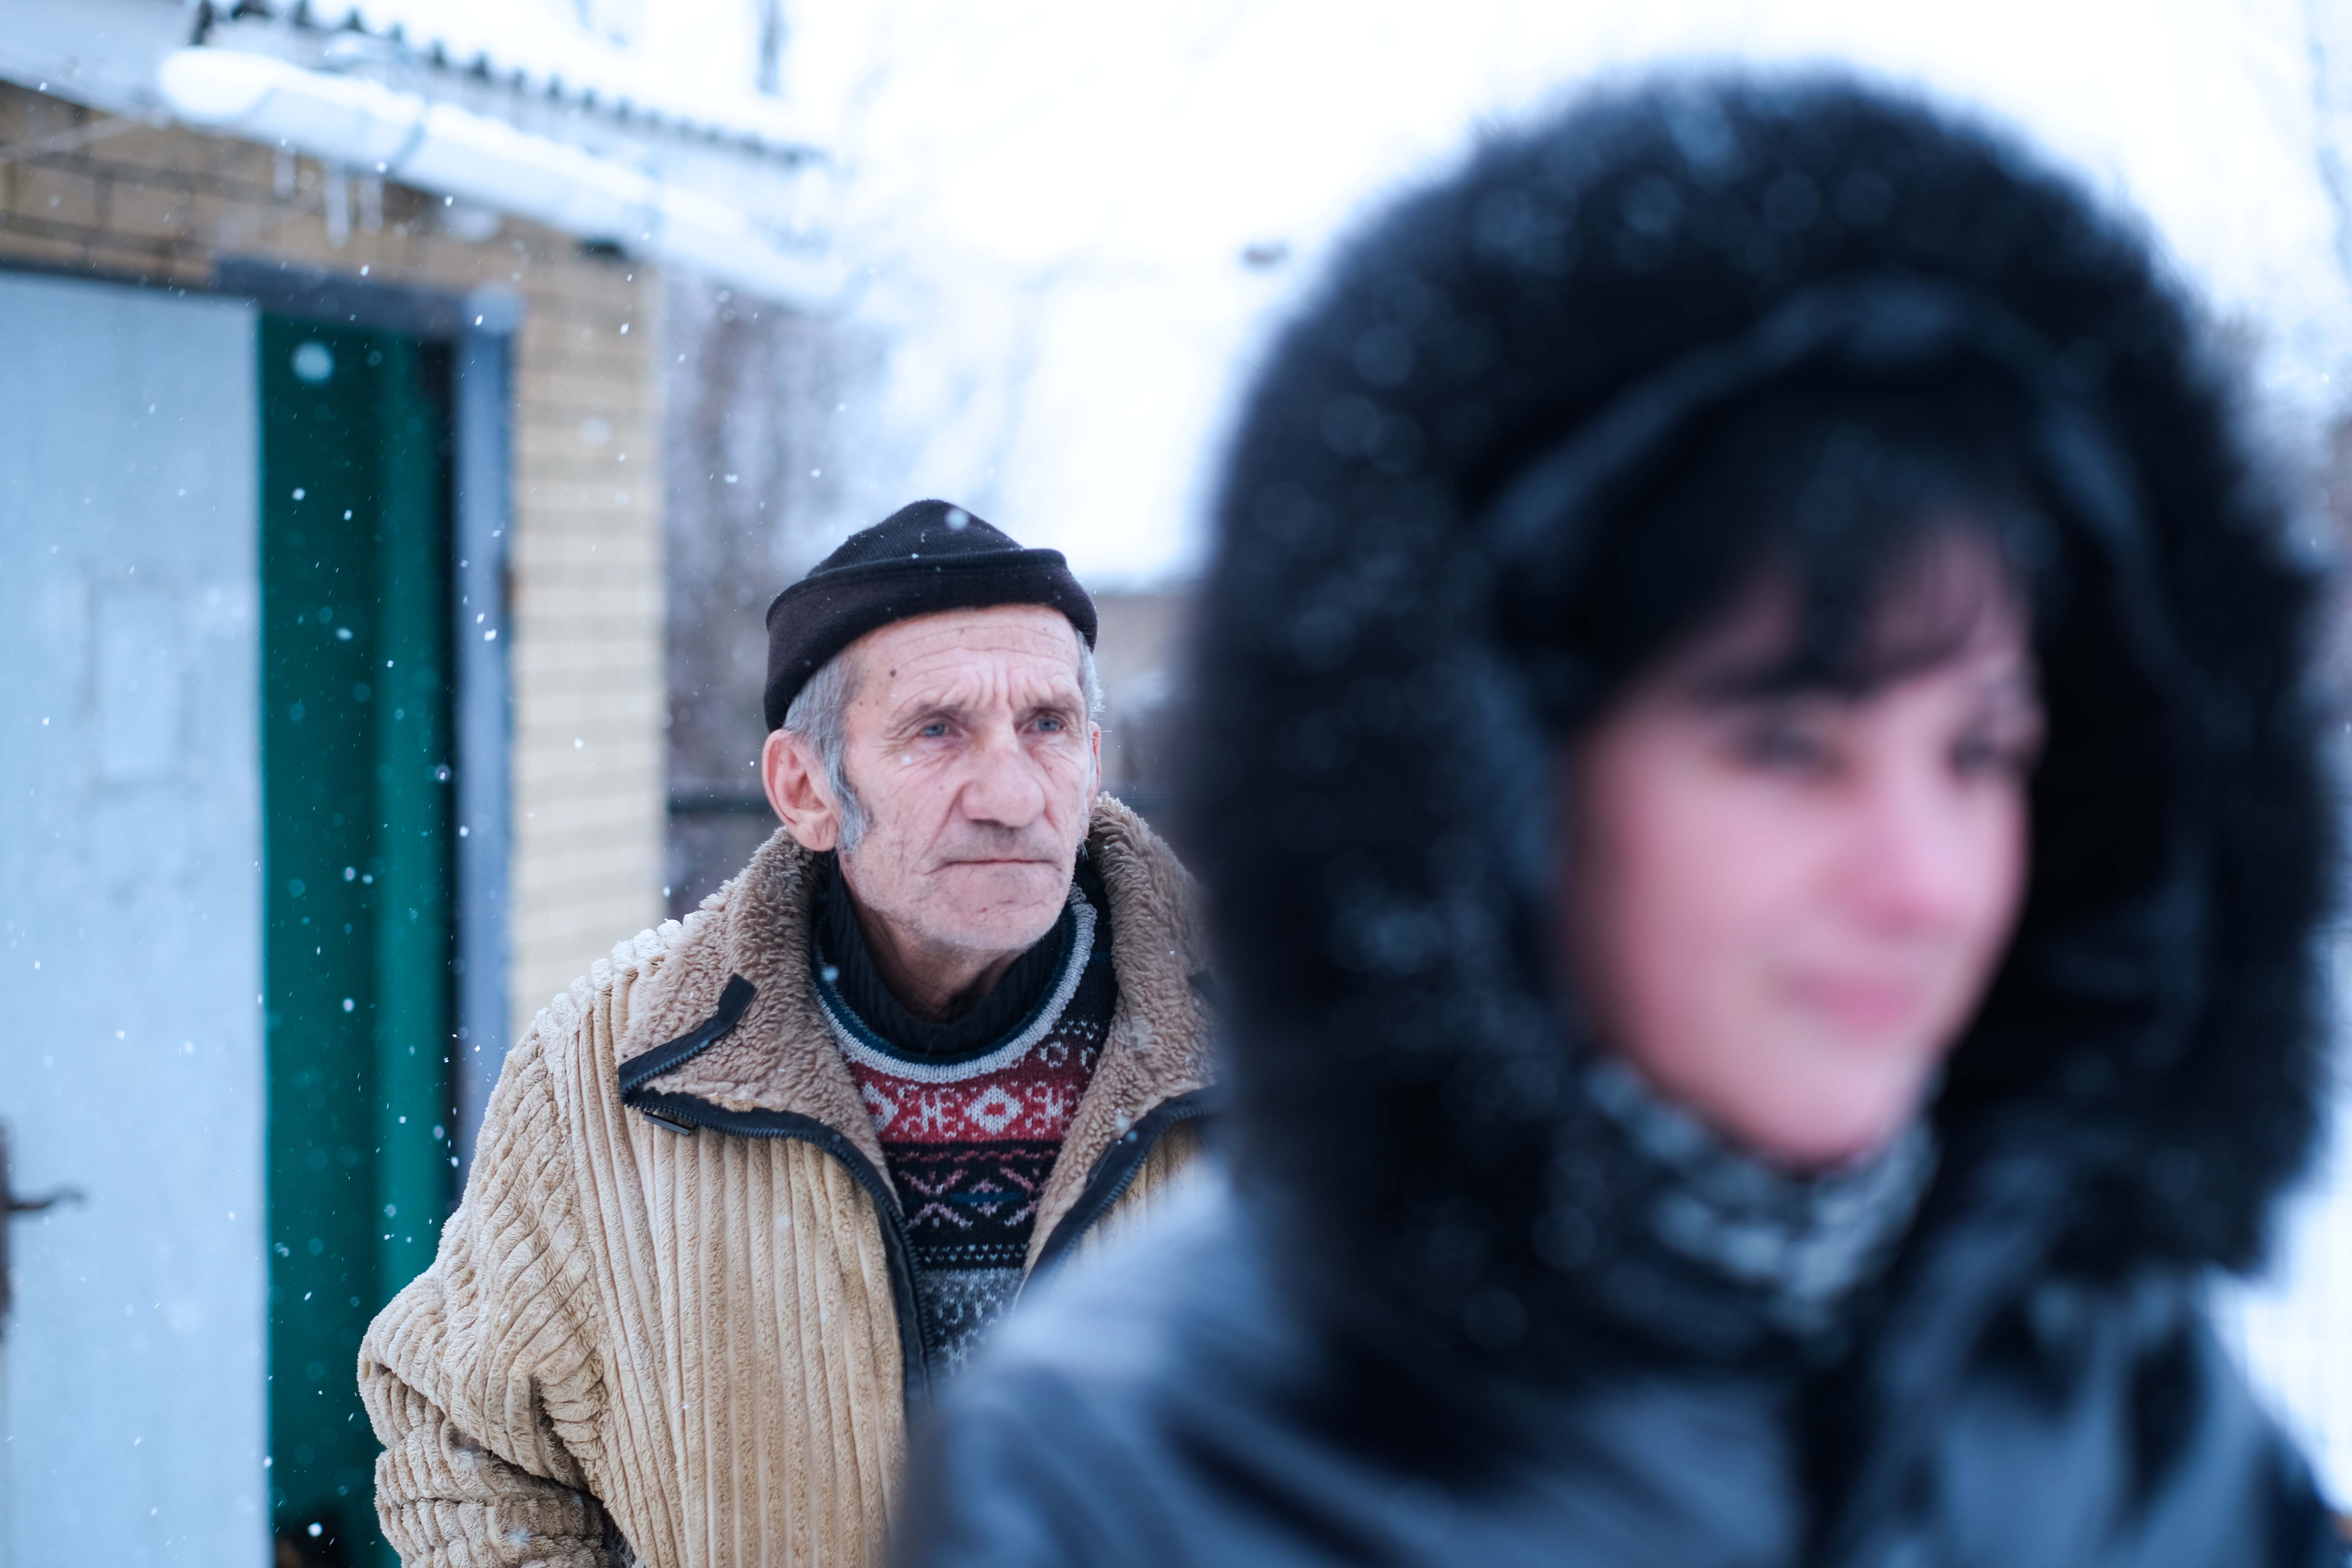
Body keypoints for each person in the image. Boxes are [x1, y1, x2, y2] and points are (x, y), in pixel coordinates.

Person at [893, 78, 2346, 1565]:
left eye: (1981, 752)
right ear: (1492, 775)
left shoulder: (2147, 1416)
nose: (1926, 883)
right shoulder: (1121, 1481)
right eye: (1790, 742)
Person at [358, 501, 1216, 1566]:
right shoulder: (609, 1062)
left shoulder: (1292, 1053)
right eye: (938, 730)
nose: (1009, 794)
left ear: (1092, 762)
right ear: (806, 790)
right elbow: (467, 1440)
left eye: (1044, 726)